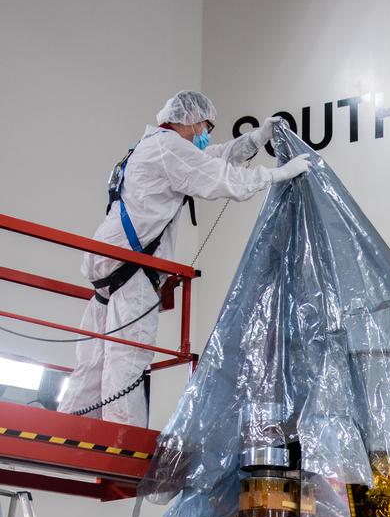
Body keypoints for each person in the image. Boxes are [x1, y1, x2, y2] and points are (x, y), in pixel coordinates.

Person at [58, 91, 309, 427]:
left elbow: (212, 158)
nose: (207, 132)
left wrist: (256, 138)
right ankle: (120, 441)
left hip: (108, 262)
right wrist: (277, 175)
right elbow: (219, 177)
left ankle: (68, 428)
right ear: (190, 119)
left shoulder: (152, 146)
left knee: (94, 361)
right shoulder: (168, 148)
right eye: (206, 125)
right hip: (132, 269)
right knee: (127, 357)